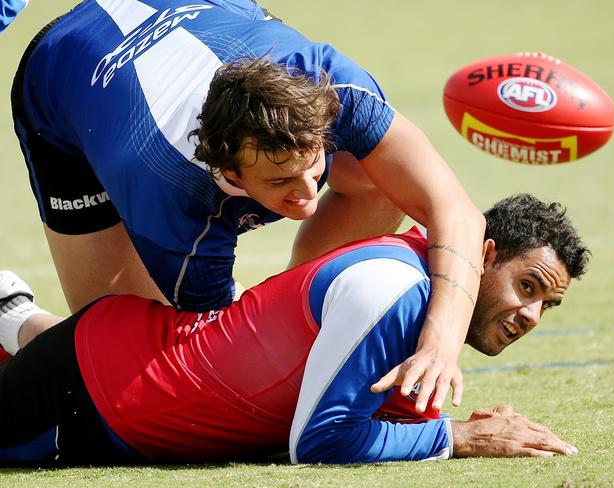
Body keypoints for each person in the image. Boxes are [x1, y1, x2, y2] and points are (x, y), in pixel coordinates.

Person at [10, 0, 486, 410]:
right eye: (280, 180)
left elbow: (456, 212)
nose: (306, 198)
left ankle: (307, 311)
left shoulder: (336, 87)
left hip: (204, 9)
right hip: (64, 67)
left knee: (381, 177)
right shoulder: (172, 190)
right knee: (123, 355)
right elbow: (214, 353)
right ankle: (12, 315)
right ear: (230, 174)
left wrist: (440, 345)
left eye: (314, 164)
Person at [0, 194, 589, 465]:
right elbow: (322, 441)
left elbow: (366, 407)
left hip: (124, 367)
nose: (531, 316)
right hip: (95, 397)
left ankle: (10, 309)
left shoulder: (418, 281)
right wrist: (459, 437)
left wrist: (440, 421)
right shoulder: (400, 291)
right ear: (483, 255)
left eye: (547, 306)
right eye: (528, 287)